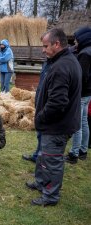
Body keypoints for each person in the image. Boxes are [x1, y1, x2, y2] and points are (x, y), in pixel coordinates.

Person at [26, 28, 82, 206]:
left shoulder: (62, 66)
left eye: (45, 46)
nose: (43, 50)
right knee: (44, 156)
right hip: (55, 124)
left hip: (57, 125)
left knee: (52, 160)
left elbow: (57, 103)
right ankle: (41, 182)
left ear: (56, 44)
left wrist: (40, 117)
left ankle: (50, 196)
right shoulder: (63, 61)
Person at [65, 26, 91, 164]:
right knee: (84, 122)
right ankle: (83, 150)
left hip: (81, 94)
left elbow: (81, 76)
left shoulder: (85, 54)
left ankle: (74, 154)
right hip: (88, 94)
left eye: (77, 39)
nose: (75, 42)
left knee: (77, 124)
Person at [22, 62, 50, 163]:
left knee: (44, 135)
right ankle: (37, 155)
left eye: (46, 47)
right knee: (40, 134)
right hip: (40, 103)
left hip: (46, 106)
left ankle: (41, 159)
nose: (43, 50)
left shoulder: (57, 64)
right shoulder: (47, 63)